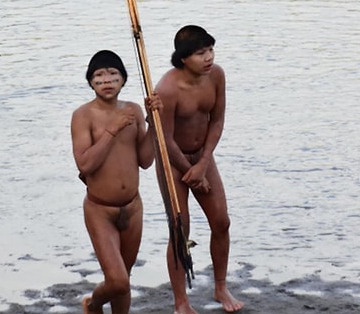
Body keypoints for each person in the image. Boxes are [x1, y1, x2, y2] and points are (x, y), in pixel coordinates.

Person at [154, 25, 244, 313]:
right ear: (183, 59)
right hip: (172, 160)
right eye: (200, 53)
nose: (208, 58)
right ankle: (181, 301)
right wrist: (189, 174)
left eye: (210, 50)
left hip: (202, 156)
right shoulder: (167, 89)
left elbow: (216, 121)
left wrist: (203, 164)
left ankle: (220, 287)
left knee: (222, 222)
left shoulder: (216, 75)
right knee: (180, 230)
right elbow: (164, 140)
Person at [71, 50, 162, 314]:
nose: (107, 80)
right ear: (90, 82)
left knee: (125, 279)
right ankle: (93, 304)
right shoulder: (83, 115)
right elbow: (85, 165)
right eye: (99, 75)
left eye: (113, 74)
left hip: (132, 208)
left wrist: (154, 123)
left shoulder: (133, 110)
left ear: (123, 79)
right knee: (118, 281)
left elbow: (145, 161)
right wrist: (113, 129)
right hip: (101, 209)